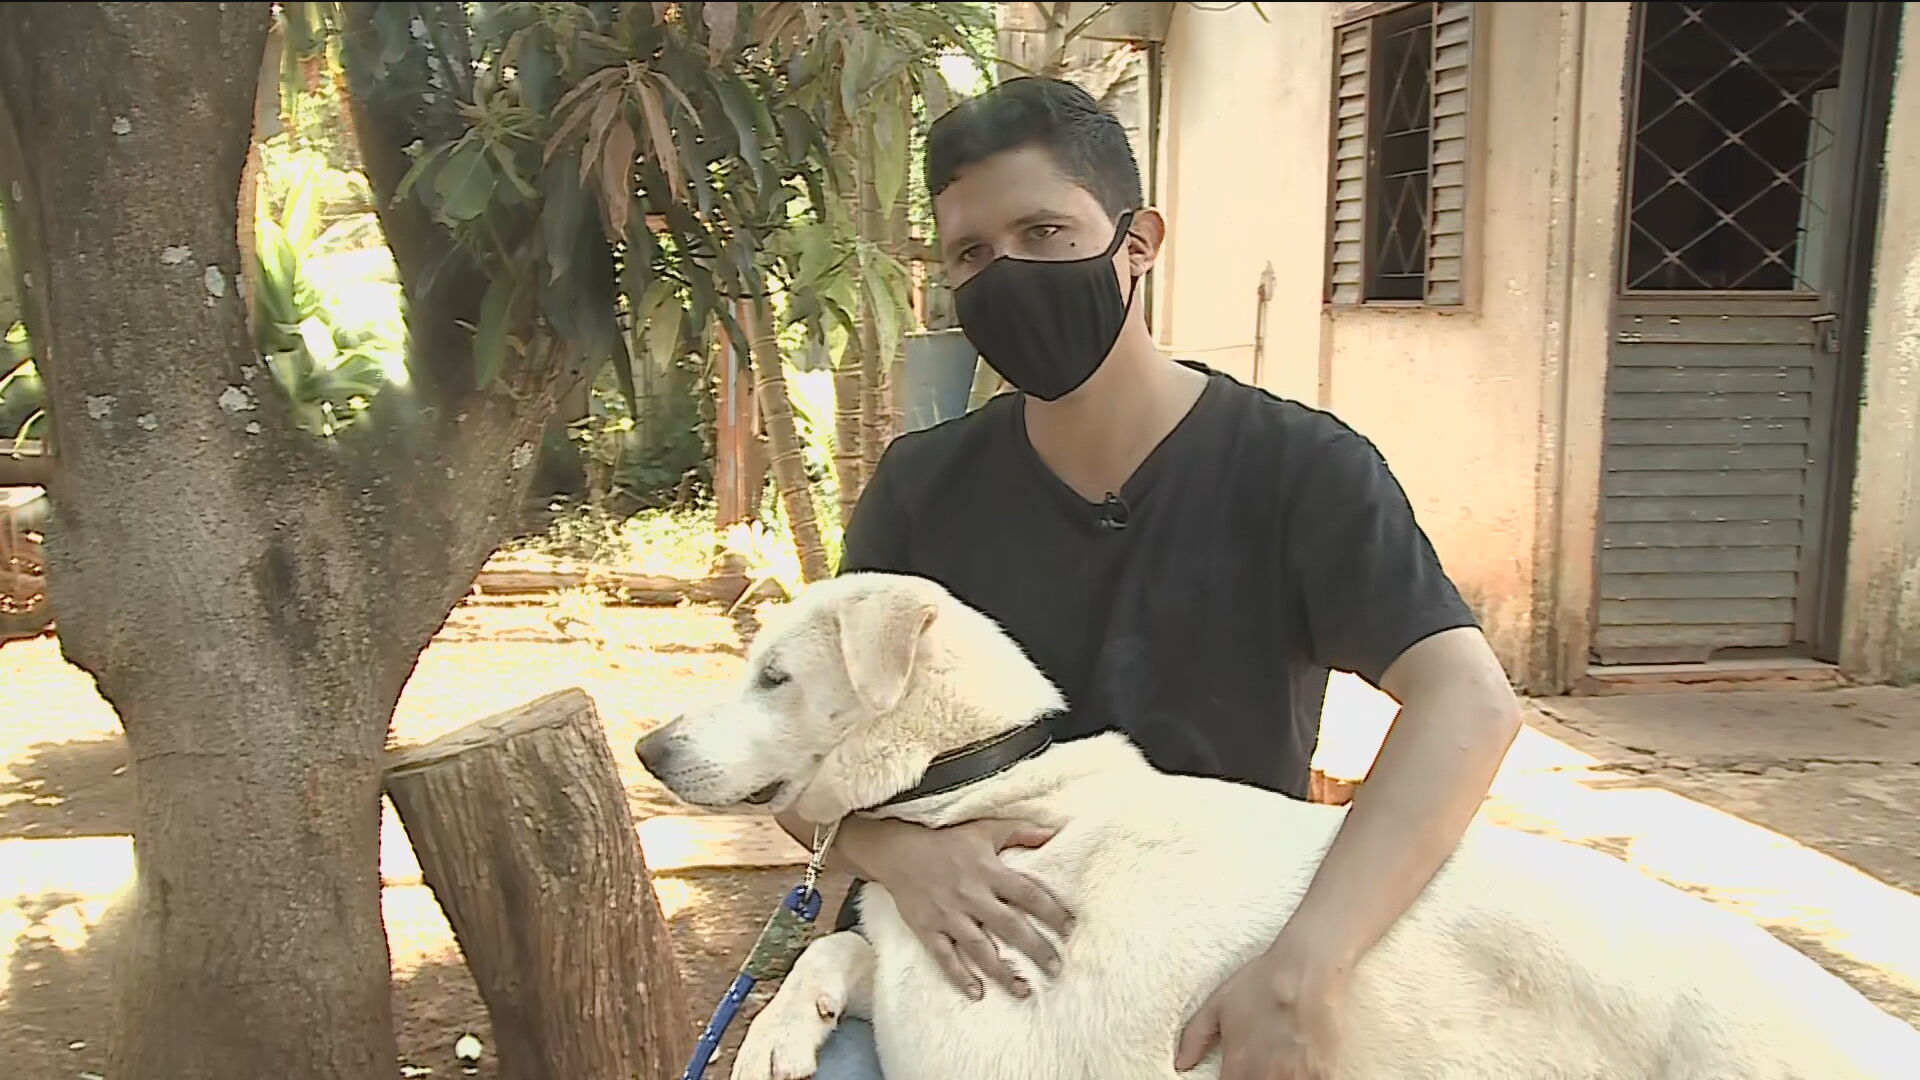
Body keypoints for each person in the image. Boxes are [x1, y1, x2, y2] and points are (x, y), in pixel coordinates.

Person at [776, 76, 1523, 1080]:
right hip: (952, 972)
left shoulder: (1300, 470)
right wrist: (898, 853)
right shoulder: (923, 486)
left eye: (1044, 231)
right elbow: (790, 751)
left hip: (1195, 978)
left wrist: (1308, 962)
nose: (1008, 272)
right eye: (971, 253)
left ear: (1139, 242)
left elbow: (1468, 705)